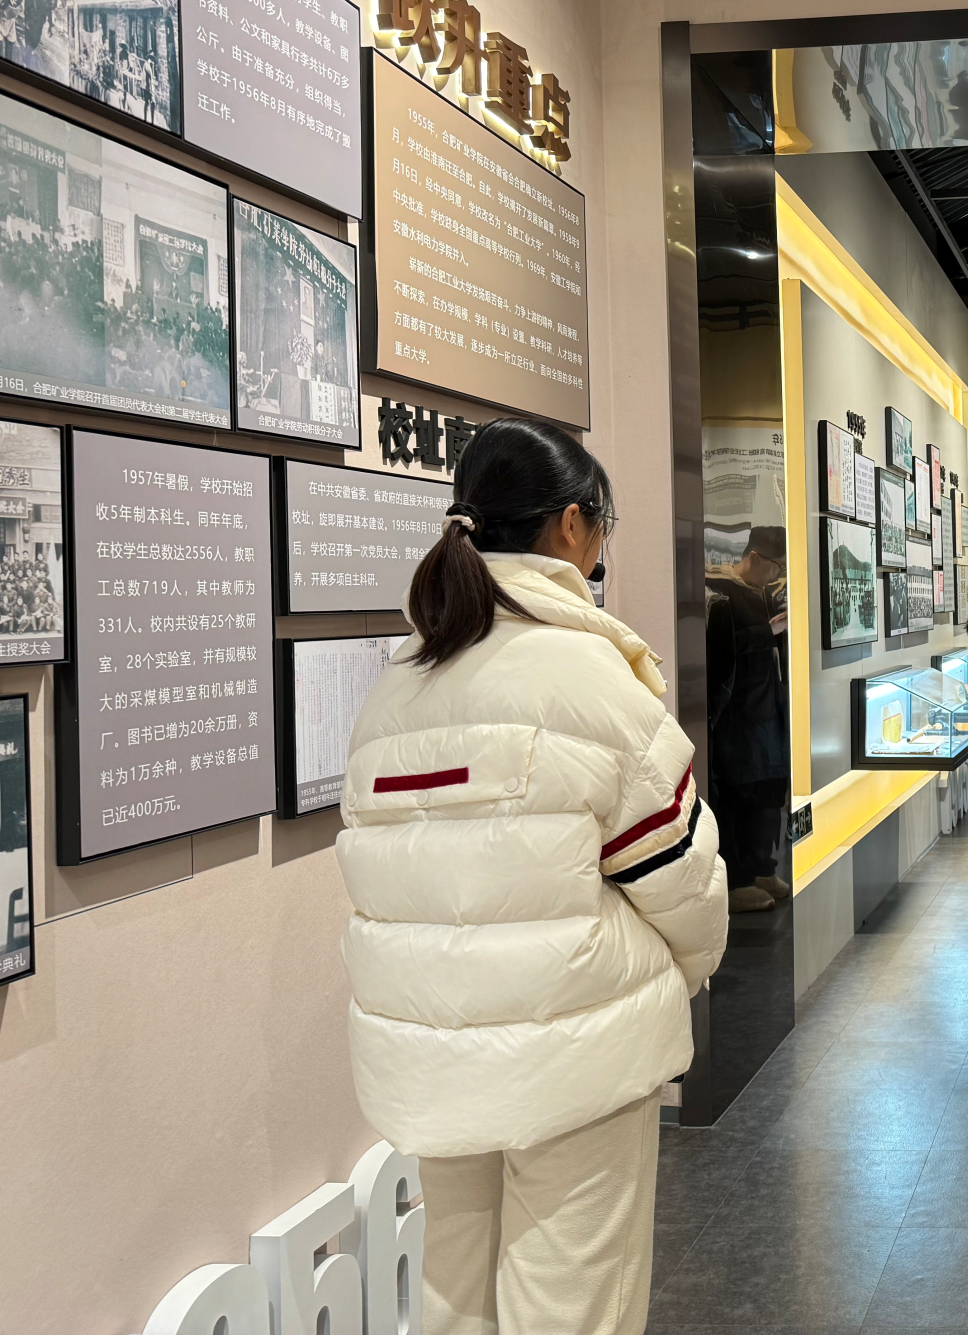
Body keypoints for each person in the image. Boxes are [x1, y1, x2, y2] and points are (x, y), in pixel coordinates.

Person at [338, 417, 727, 1332]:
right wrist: (684, 970)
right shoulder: (586, 673)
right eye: (602, 525)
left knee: (454, 1290)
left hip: (431, 1050)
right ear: (572, 524)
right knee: (570, 1299)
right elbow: (679, 870)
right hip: (574, 1051)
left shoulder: (401, 679)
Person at [706, 525, 790, 912]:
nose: (778, 574)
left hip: (769, 710)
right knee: (739, 795)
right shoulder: (722, 594)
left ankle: (762, 868)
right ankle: (737, 880)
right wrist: (766, 632)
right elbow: (718, 657)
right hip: (738, 717)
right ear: (754, 557)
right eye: (775, 566)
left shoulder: (765, 594)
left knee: (768, 794)